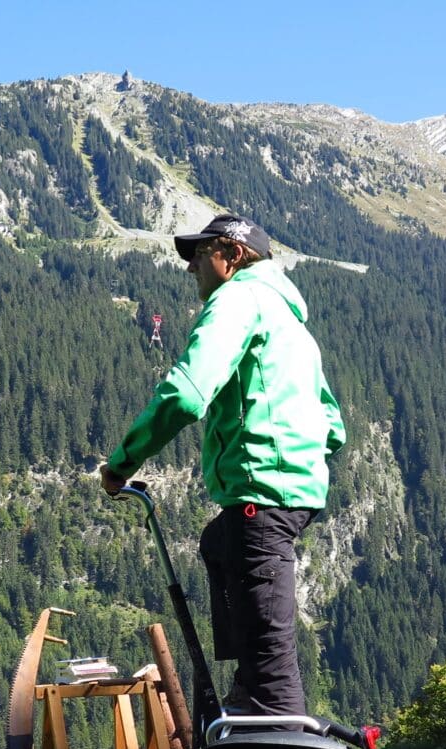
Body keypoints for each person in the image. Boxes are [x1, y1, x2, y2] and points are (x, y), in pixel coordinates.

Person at [100, 214, 345, 718]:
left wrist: (121, 464)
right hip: (296, 493)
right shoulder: (290, 321)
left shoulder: (236, 300)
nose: (191, 266)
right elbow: (333, 425)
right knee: (217, 544)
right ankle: (247, 687)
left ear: (232, 256)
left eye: (200, 254)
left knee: (272, 672)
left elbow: (187, 395)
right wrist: (297, 458)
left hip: (261, 494)